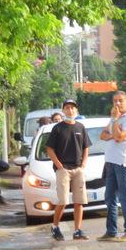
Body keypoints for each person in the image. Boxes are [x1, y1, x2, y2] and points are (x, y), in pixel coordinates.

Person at [99, 91, 126, 242]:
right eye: (115, 101)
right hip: (111, 162)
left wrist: (115, 123)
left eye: (120, 101)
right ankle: (111, 231)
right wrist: (114, 128)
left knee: (125, 197)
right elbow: (102, 135)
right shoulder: (114, 118)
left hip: (124, 163)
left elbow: (119, 137)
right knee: (109, 197)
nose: (117, 104)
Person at [46, 99, 91, 241]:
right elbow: (49, 148)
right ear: (63, 110)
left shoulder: (80, 127)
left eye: (72, 108)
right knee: (63, 201)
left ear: (76, 110)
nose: (70, 110)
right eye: (67, 108)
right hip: (63, 169)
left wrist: (83, 164)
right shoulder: (58, 128)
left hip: (78, 169)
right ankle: (55, 227)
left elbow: (86, 147)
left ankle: (78, 230)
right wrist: (59, 165)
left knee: (79, 201)